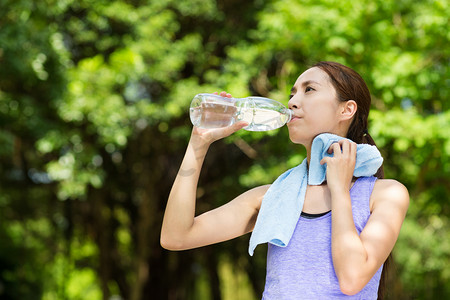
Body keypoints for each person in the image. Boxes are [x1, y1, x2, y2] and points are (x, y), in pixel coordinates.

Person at [160, 61, 409, 299]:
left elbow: (352, 279)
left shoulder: (386, 194)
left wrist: (340, 190)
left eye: (308, 90)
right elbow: (176, 237)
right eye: (292, 94)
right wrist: (197, 145)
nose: (292, 101)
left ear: (347, 109)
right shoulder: (273, 196)